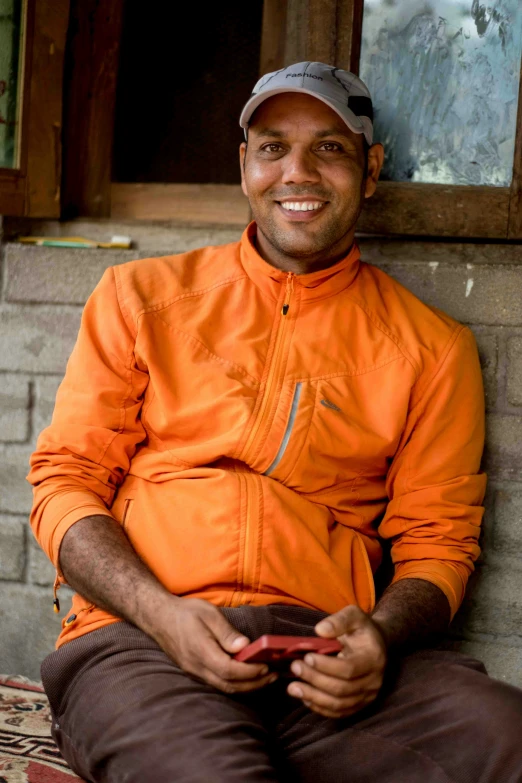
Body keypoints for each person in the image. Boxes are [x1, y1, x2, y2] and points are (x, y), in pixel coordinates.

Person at [28, 62, 522, 782]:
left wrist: (377, 640)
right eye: (272, 147)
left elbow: (439, 545)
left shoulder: (431, 348)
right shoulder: (139, 298)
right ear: (244, 166)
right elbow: (64, 483)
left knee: (506, 733)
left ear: (371, 169)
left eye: (329, 148)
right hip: (143, 642)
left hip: (324, 660)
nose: (299, 173)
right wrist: (161, 612)